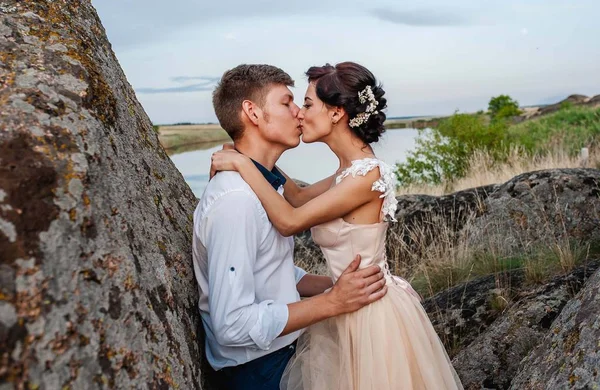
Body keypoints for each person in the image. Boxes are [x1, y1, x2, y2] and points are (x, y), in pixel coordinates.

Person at [210, 62, 464, 389]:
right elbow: (298, 198)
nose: (300, 114)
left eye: (307, 104)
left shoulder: (367, 174)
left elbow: (290, 221)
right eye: (295, 104)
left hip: (370, 314)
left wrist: (244, 165)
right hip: (347, 303)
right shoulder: (349, 170)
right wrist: (256, 161)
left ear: (335, 113)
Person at [192, 64, 388, 390]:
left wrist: (343, 288)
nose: (299, 113)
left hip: (283, 352)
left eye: (303, 103)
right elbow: (232, 325)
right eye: (288, 102)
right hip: (260, 370)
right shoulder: (236, 201)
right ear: (252, 113)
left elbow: (276, 273)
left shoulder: (263, 187)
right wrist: (332, 301)